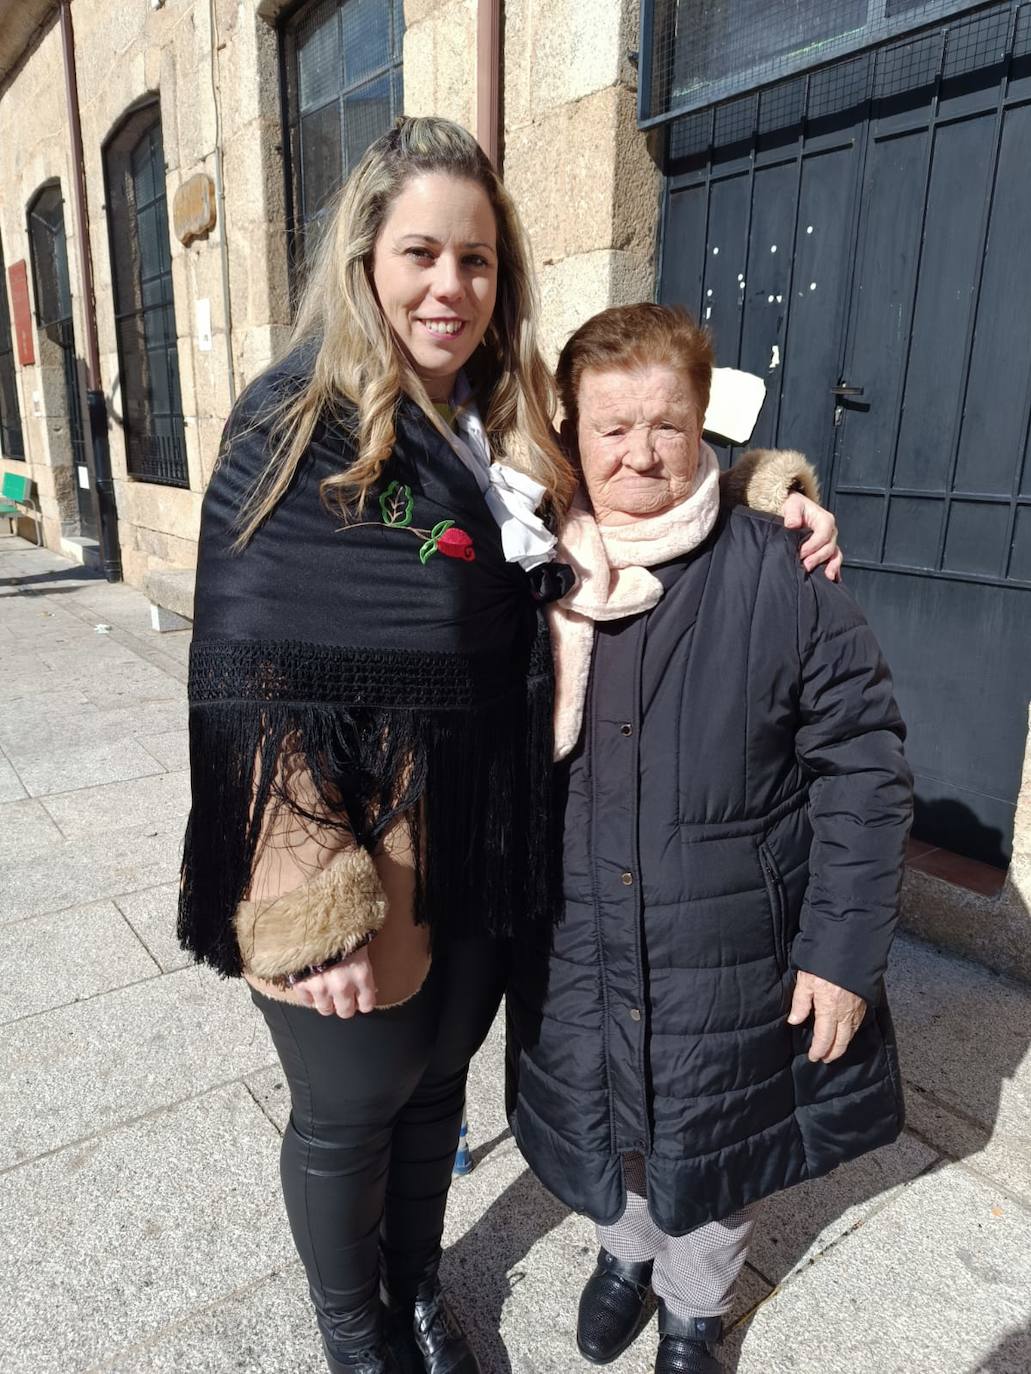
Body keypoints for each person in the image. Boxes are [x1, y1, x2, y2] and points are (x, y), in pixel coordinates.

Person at [178, 117, 839, 1374]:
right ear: (366, 253)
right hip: (347, 844)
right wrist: (304, 894)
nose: (448, 286)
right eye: (420, 252)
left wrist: (762, 492)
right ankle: (354, 1335)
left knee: (435, 1090)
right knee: (348, 1111)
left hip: (480, 829)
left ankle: (417, 1289)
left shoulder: (502, 412)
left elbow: (627, 474)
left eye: (475, 260)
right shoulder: (295, 420)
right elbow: (243, 671)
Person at [506, 303, 913, 1374]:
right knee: (608, 1133)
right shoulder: (531, 572)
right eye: (610, 427)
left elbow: (863, 763)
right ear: (570, 435)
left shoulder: (778, 569)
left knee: (715, 1149)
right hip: (575, 939)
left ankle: (694, 1310)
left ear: (704, 431)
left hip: (729, 953)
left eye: (666, 425)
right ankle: (622, 1259)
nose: (639, 452)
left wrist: (840, 952)